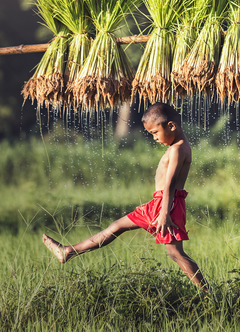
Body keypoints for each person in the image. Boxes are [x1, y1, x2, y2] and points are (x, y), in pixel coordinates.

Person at [41, 102, 207, 290]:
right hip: (160, 204)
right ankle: (69, 251)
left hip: (166, 206)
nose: (154, 138)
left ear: (171, 126)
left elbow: (169, 184)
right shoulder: (180, 146)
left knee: (176, 254)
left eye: (155, 132)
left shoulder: (177, 149)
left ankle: (208, 294)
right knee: (118, 227)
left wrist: (164, 214)